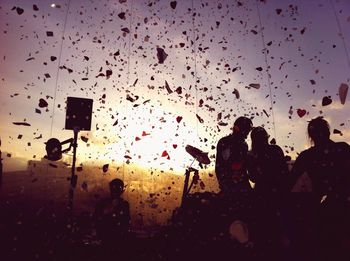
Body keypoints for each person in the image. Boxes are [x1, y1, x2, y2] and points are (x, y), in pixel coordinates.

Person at [290, 117, 350, 260]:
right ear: (328, 132)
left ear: (310, 136)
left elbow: (290, 183)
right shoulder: (343, 148)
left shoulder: (306, 156)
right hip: (344, 207)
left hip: (321, 211)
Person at [215, 116, 253, 195]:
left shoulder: (244, 145)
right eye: (246, 131)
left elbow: (243, 167)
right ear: (237, 128)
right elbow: (220, 167)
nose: (246, 135)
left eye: (248, 132)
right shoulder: (225, 142)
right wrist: (225, 185)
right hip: (229, 184)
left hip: (241, 184)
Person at [246, 126, 288, 193]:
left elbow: (253, 178)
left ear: (253, 140)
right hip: (278, 189)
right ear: (266, 137)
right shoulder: (276, 149)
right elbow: (285, 172)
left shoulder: (251, 155)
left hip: (261, 190)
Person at [94, 178, 130, 244]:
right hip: (107, 236)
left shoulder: (124, 204)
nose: (115, 191)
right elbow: (96, 219)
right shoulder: (103, 203)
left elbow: (126, 221)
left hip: (116, 236)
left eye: (118, 188)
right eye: (114, 188)